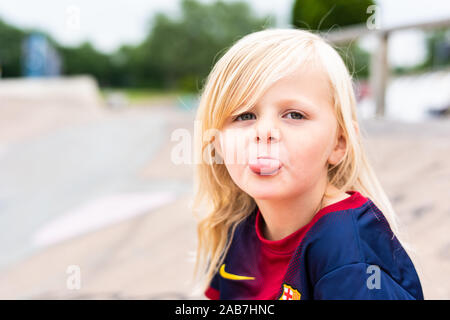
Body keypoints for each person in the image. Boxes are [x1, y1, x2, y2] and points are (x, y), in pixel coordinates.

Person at [191, 28, 423, 300]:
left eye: (294, 114)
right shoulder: (238, 231)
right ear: (217, 142)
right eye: (244, 115)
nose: (264, 131)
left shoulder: (347, 251)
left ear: (338, 144)